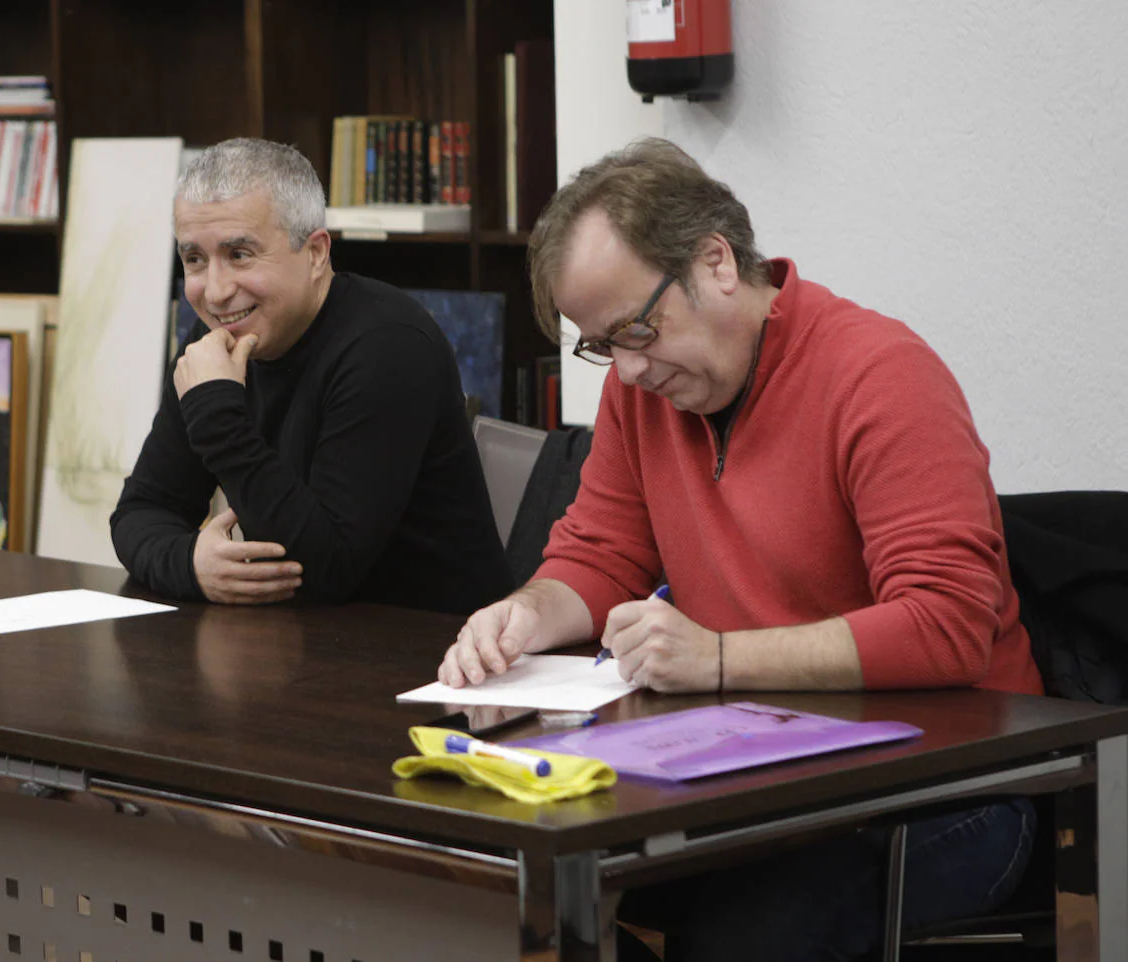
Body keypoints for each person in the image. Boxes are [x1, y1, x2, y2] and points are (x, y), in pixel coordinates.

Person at [436, 138, 1043, 961]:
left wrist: (719, 658)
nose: (629, 368)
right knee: (502, 886)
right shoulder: (638, 394)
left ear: (716, 261)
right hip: (755, 771)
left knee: (745, 928)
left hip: (944, 786)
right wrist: (521, 617)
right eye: (601, 345)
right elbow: (600, 553)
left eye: (638, 329)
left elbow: (947, 624)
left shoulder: (880, 374)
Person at [111, 138, 512, 614]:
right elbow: (139, 514)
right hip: (301, 647)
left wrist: (217, 416)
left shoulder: (389, 346)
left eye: (239, 254)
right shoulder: (214, 339)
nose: (215, 292)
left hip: (432, 650)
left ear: (316, 253)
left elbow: (325, 572)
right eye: (195, 259)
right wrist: (192, 564)